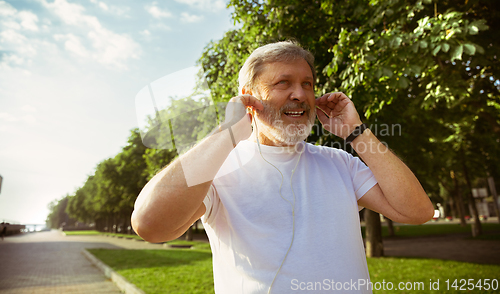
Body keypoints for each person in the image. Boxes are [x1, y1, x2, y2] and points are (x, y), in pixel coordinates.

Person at [131, 41, 434, 293]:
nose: (300, 94)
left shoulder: (340, 162)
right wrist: (228, 133)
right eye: (283, 83)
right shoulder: (217, 171)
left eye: (308, 84)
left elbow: (417, 212)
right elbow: (150, 224)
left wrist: (356, 133)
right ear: (248, 97)